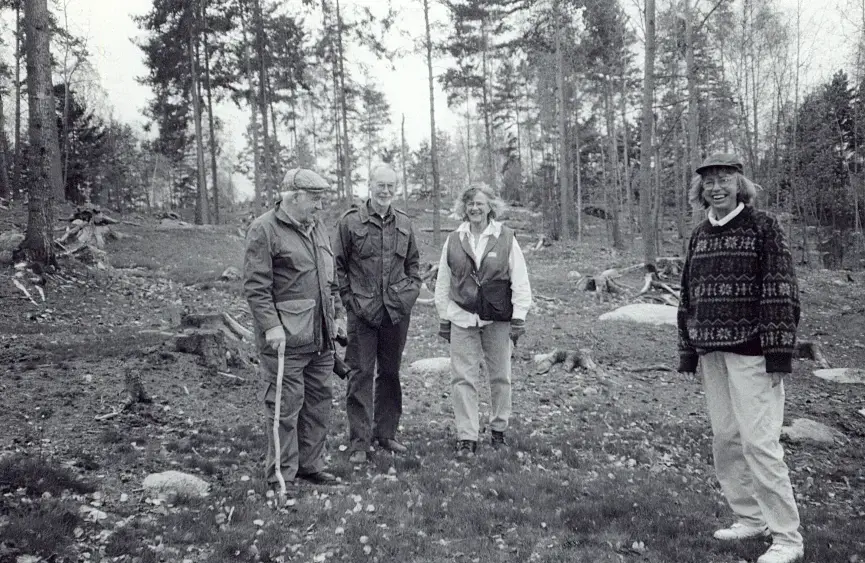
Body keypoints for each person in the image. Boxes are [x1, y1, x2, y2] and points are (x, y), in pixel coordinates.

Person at [678, 153, 803, 563]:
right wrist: (688, 351)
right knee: (726, 440)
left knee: (759, 444)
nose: (717, 188)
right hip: (712, 353)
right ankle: (750, 518)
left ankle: (787, 537)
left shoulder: (764, 227)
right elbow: (688, 296)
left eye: (725, 180)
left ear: (740, 185)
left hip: (754, 354)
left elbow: (782, 292)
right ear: (702, 190)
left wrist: (778, 354)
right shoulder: (700, 234)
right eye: (710, 181)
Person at [243, 168, 344, 493]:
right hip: (285, 340)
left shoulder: (318, 228)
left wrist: (338, 314)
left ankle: (310, 467)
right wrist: (271, 326)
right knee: (285, 408)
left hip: (321, 338)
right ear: (293, 196)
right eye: (314, 198)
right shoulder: (264, 230)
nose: (319, 205)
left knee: (318, 404)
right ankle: (280, 477)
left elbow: (331, 280)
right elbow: (256, 287)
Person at [434, 185, 532, 458]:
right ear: (463, 208)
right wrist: (444, 316)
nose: (474, 208)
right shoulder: (454, 238)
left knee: (500, 376)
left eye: (480, 203)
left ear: (490, 206)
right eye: (469, 204)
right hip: (462, 317)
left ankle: (499, 430)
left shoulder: (505, 237)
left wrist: (519, 317)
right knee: (462, 378)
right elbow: (443, 281)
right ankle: (467, 436)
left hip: (497, 319)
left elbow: (520, 280)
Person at [334, 164, 422, 464]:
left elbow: (414, 267)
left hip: (395, 313)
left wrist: (407, 298)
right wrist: (349, 300)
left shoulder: (406, 224)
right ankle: (360, 441)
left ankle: (386, 434)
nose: (386, 191)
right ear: (369, 185)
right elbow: (339, 266)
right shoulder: (350, 222)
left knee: (391, 373)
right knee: (360, 374)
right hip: (362, 313)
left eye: (391, 185)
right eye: (380, 185)